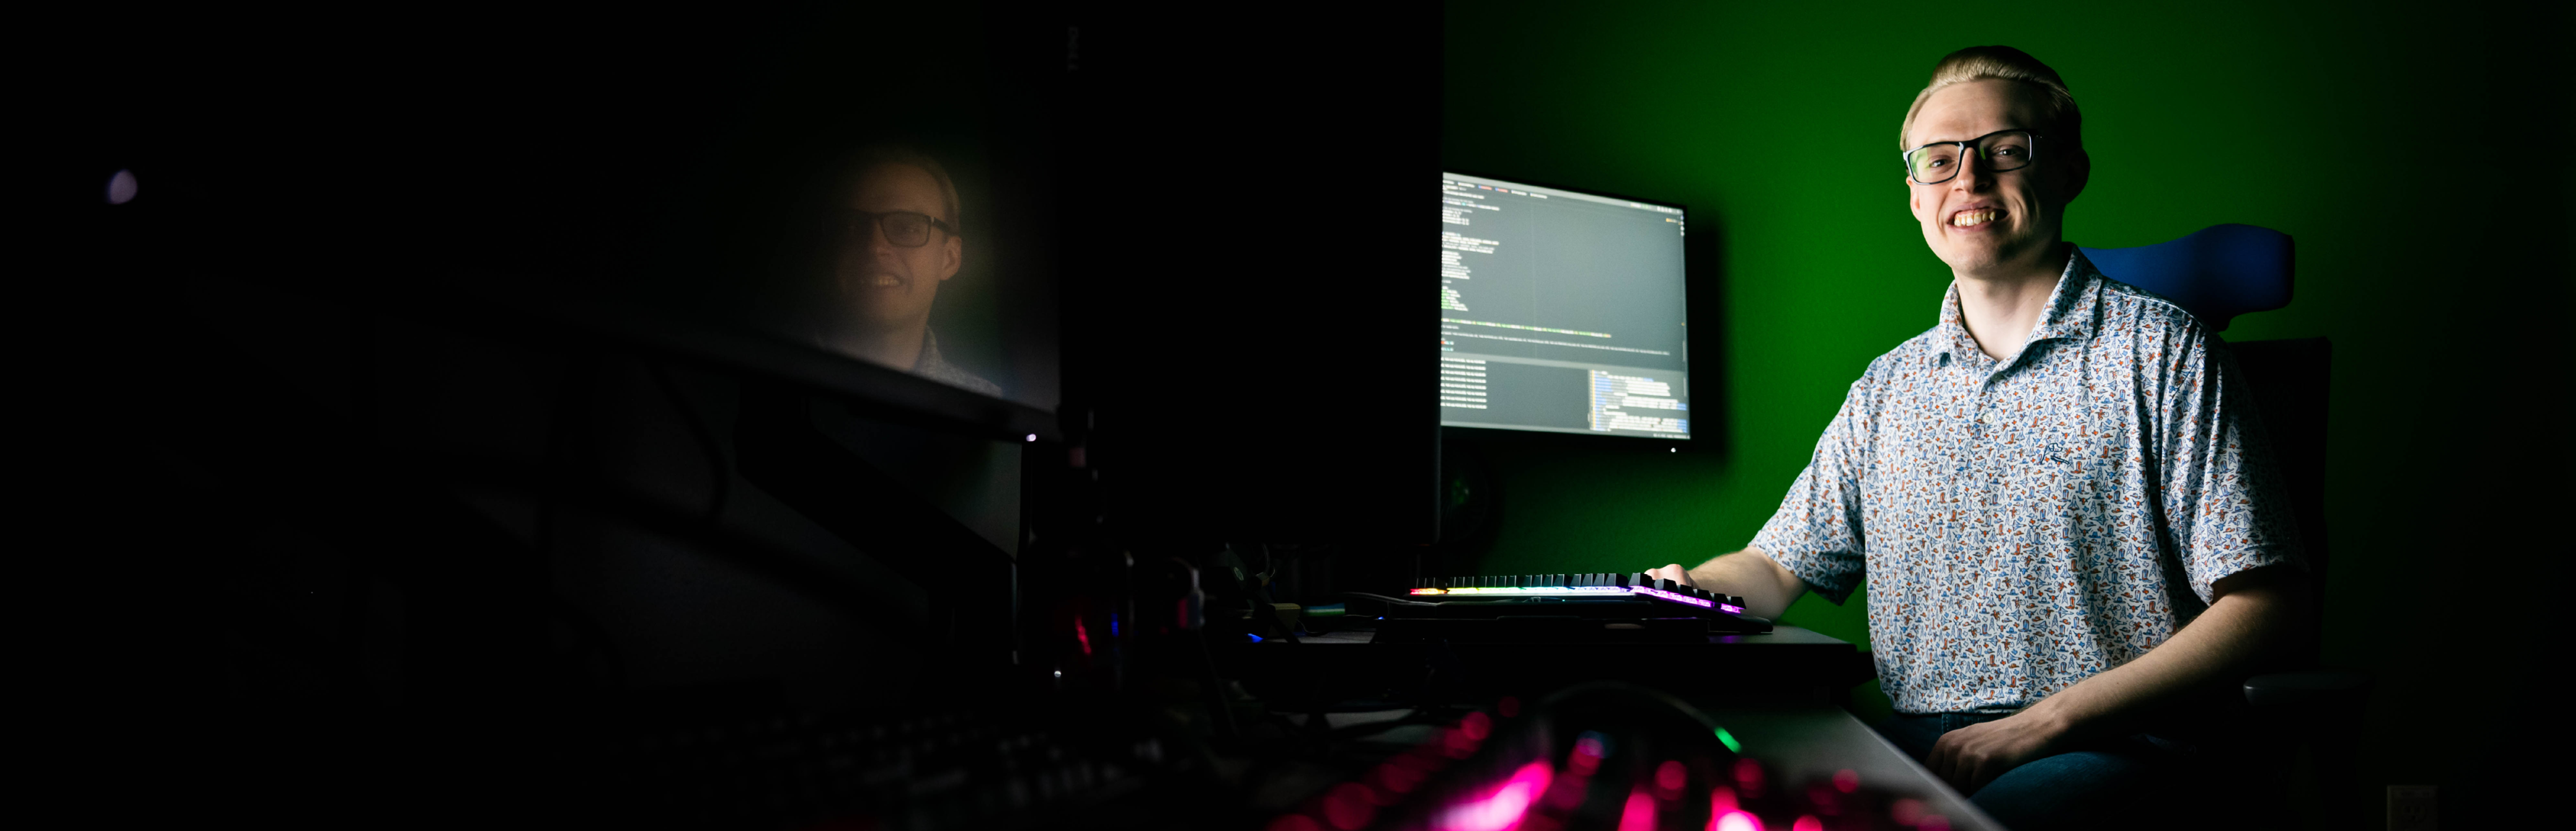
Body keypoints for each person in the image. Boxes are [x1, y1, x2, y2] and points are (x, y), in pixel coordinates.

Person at [1641, 46, 2301, 829]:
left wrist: (2046, 722)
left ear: (2069, 172)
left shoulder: (2163, 352)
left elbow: (2264, 606)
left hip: (2118, 741)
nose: (1969, 180)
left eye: (2005, 151)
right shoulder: (1888, 389)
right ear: (1915, 196)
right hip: (1923, 740)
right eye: (1940, 160)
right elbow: (1776, 568)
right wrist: (1684, 596)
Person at [816, 144, 1003, 396]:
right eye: (852, 226)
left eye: (907, 227)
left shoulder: (987, 409)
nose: (874, 246)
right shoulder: (763, 377)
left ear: (950, 258)